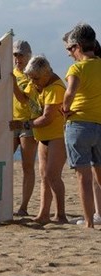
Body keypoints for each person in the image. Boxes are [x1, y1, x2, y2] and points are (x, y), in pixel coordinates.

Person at [10, 55, 67, 224]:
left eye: (35, 78)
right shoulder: (35, 83)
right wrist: (13, 83)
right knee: (44, 175)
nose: (33, 82)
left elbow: (47, 118)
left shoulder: (55, 87)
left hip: (57, 135)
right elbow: (23, 99)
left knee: (52, 175)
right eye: (31, 78)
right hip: (42, 137)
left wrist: (24, 125)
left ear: (46, 74)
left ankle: (61, 214)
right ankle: (44, 214)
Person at [60, 23, 101, 228]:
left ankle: (88, 222)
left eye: (70, 49)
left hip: (79, 124)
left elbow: (70, 92)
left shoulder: (76, 68)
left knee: (83, 177)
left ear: (77, 46)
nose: (69, 54)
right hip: (99, 123)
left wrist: (65, 109)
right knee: (99, 175)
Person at [11, 40, 38, 217]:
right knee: (3, 162)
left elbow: (23, 99)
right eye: (15, 55)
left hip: (28, 124)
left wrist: (12, 82)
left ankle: (24, 206)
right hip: (11, 123)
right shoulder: (10, 73)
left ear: (29, 56)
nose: (18, 58)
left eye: (21, 55)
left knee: (27, 166)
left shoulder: (32, 75)